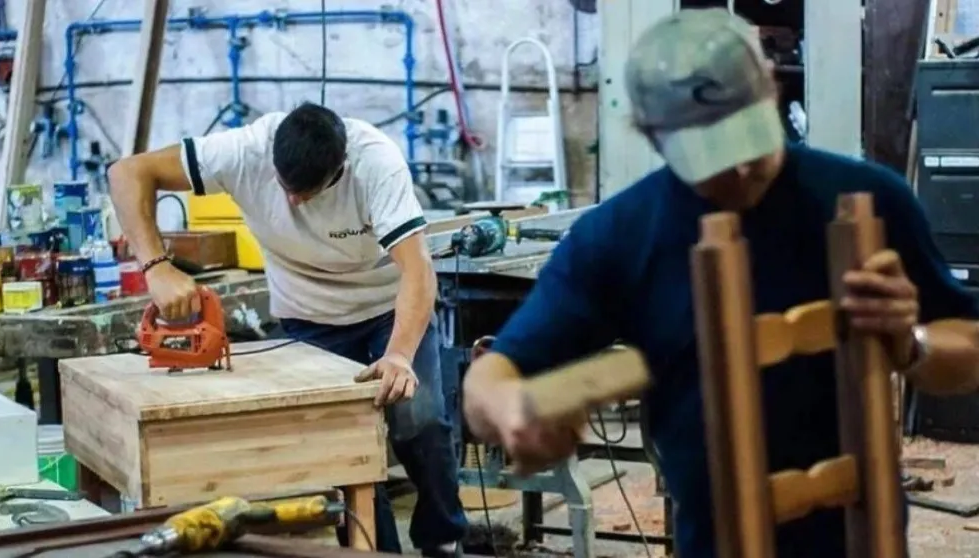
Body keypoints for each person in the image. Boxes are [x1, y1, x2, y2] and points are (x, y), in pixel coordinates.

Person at [462, 8, 979, 558]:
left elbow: (969, 351)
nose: (740, 170)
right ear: (650, 134)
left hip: (862, 540)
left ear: (772, 89)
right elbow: (487, 384)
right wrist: (512, 412)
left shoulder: (868, 201)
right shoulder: (620, 236)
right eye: (712, 152)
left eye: (748, 139)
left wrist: (910, 342)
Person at [108, 102, 467, 557]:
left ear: (341, 166)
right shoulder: (244, 151)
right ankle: (376, 551)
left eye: (308, 193)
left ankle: (443, 538)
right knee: (342, 445)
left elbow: (418, 271)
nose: (295, 202)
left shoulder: (377, 163)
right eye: (286, 188)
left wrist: (398, 355)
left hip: (387, 308)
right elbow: (127, 172)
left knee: (421, 419)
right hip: (308, 314)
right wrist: (156, 267)